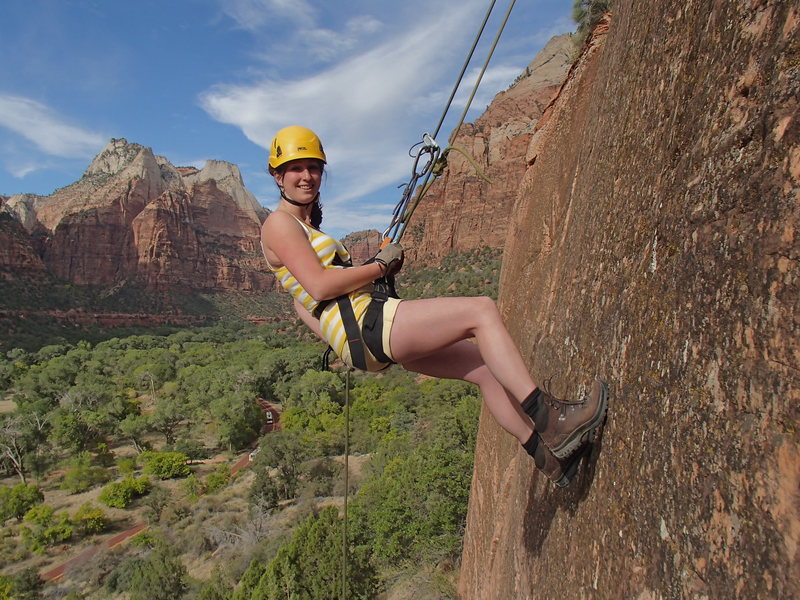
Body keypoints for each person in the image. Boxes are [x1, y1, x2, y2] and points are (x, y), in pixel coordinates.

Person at [260, 125, 607, 487]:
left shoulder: (305, 231)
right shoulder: (279, 224)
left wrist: (365, 314)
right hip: (372, 328)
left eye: (313, 167)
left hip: (365, 340)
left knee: (485, 369)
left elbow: (308, 308)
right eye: (296, 168)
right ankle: (553, 421)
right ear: (277, 175)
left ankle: (550, 459)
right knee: (481, 310)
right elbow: (319, 287)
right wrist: (378, 266)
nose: (306, 176)